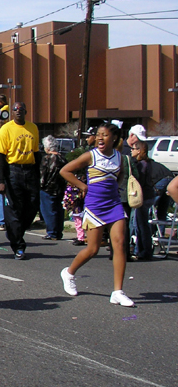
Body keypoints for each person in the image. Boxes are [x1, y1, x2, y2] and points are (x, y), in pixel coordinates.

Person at [59, 123, 135, 307]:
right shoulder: (90, 155)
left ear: (114, 138)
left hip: (114, 204)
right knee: (93, 249)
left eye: (105, 135)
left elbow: (119, 178)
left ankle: (118, 291)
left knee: (119, 244)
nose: (100, 138)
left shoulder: (120, 158)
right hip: (95, 206)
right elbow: (65, 171)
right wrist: (83, 186)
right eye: (98, 135)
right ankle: (69, 273)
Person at [0, 102, 40, 260]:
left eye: (21, 109)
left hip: (30, 170)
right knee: (14, 209)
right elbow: (0, 156)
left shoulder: (33, 128)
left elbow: (36, 153)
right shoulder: (6, 129)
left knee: (32, 206)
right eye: (15, 110)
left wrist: (38, 175)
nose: (18, 112)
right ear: (12, 113)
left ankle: (14, 231)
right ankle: (19, 246)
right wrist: (1, 181)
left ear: (26, 112)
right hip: (13, 171)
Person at [129, 140, 156, 261]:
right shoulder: (148, 163)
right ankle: (142, 249)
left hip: (143, 197)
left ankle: (144, 250)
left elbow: (139, 182)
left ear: (139, 151)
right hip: (149, 196)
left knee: (141, 224)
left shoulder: (141, 165)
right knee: (141, 224)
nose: (131, 150)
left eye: (134, 149)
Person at [39, 135, 67, 240]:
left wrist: (40, 186)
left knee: (48, 211)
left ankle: (52, 232)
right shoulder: (63, 159)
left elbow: (42, 175)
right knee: (59, 210)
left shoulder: (47, 159)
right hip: (60, 188)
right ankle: (58, 231)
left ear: (47, 147)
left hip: (47, 188)